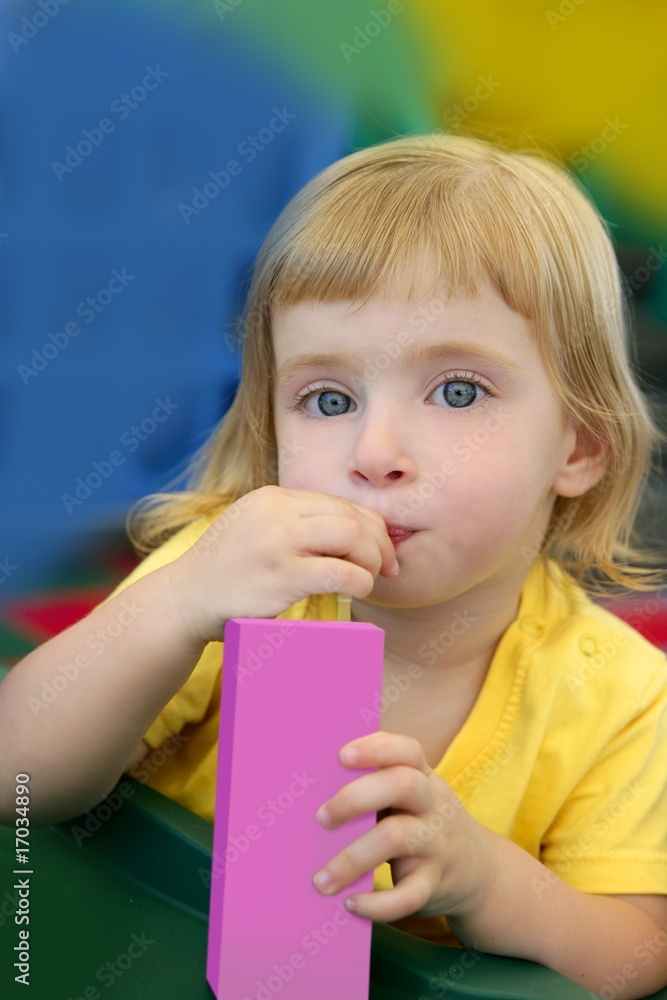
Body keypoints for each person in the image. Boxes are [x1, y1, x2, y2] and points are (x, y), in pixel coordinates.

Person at [2, 133, 667, 997]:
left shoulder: (624, 697)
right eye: (328, 399)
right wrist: (169, 608)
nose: (373, 452)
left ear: (578, 446)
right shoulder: (229, 583)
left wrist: (488, 884)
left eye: (457, 391)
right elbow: (17, 780)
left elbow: (638, 955)